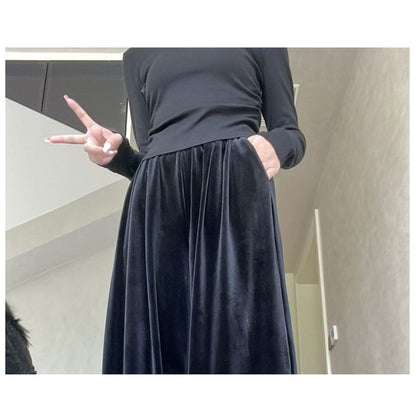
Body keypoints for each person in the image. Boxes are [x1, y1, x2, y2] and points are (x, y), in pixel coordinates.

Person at [45, 48, 306, 374]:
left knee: (239, 328)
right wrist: (119, 155)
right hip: (157, 199)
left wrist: (272, 147)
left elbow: (292, 134)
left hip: (233, 180)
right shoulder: (137, 57)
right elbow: (148, 157)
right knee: (159, 333)